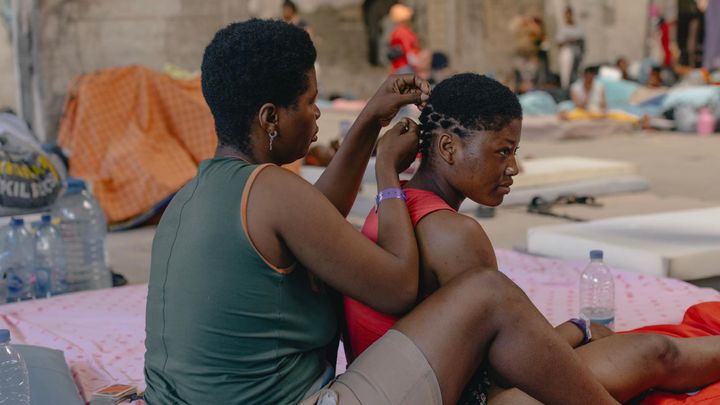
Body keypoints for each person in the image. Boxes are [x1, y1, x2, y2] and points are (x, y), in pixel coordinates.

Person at [144, 19, 620, 405]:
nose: (316, 116)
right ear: (271, 118)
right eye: (309, 103)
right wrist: (387, 176)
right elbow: (396, 288)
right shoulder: (273, 189)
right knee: (489, 294)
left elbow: (318, 216)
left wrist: (372, 118)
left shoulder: (196, 194)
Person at [344, 73, 720, 404]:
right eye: (502, 152)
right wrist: (577, 331)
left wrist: (578, 331)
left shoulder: (391, 206)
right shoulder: (452, 234)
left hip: (417, 383)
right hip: (468, 394)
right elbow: (509, 366)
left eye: (515, 152)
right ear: (448, 148)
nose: (513, 169)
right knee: (655, 352)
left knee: (639, 349)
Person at [562, 66, 642, 125]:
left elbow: (603, 103)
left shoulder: (599, 86)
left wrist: (602, 109)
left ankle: (637, 120)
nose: (590, 80)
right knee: (572, 115)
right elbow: (578, 105)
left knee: (617, 114)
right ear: (584, 77)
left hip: (597, 111)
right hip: (583, 111)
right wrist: (588, 92)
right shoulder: (575, 87)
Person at [555, 6, 584, 89]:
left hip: (577, 53)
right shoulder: (563, 28)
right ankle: (565, 89)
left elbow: (581, 41)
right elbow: (559, 43)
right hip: (567, 53)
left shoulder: (578, 28)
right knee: (566, 76)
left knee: (576, 74)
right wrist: (569, 41)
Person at [387, 4, 420, 74]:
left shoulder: (397, 31)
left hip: (399, 66)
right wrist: (417, 64)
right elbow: (408, 50)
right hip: (405, 66)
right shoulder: (403, 32)